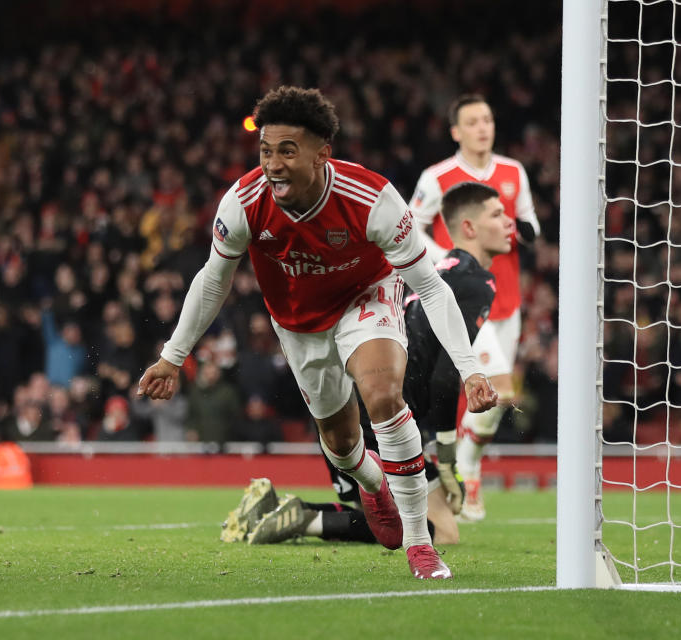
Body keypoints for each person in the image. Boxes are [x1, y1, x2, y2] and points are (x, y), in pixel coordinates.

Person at [138, 86, 497, 580]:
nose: (274, 164)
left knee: (384, 396)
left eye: (288, 151)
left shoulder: (373, 199)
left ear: (322, 154)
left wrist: (471, 370)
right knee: (342, 443)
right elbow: (212, 280)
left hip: (365, 298)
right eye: (266, 151)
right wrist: (172, 356)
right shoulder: (244, 202)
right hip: (298, 325)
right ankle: (371, 481)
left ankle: (420, 545)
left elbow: (431, 289)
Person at [240, 182, 513, 547]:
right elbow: (447, 380)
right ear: (469, 228)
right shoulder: (475, 281)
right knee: (442, 532)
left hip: (348, 403)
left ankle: (294, 513)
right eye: (497, 214)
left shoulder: (433, 269)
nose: (509, 222)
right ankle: (308, 518)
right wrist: (448, 462)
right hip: (382, 414)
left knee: (408, 511)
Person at [409, 94, 540, 521]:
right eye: (473, 121)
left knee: (489, 402)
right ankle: (459, 469)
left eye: (488, 119)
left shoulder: (513, 171)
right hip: (462, 299)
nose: (483, 127)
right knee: (499, 389)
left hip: (507, 300)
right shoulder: (437, 177)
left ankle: (464, 468)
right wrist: (449, 255)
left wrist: (525, 230)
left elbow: (530, 220)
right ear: (456, 131)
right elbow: (412, 227)